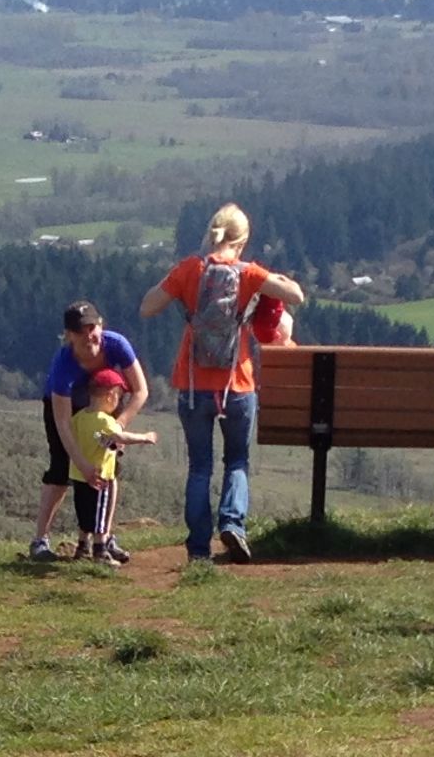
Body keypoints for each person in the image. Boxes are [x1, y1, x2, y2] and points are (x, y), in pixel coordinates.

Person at [141, 205, 304, 569]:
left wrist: (180, 285)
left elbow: (147, 307)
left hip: (194, 384)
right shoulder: (249, 273)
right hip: (238, 382)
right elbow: (296, 296)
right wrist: (263, 278)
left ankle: (199, 547)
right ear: (243, 240)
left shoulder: (190, 269)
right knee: (237, 461)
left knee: (200, 467)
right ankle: (232, 524)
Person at [30, 300, 145, 561]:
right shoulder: (63, 364)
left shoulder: (117, 345)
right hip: (66, 408)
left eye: (91, 328)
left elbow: (140, 390)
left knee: (109, 467)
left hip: (105, 406)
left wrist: (118, 427)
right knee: (60, 469)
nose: (88, 336)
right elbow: (63, 423)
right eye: (79, 331)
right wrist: (81, 463)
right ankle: (40, 540)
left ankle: (103, 538)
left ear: (101, 325)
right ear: (68, 335)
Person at [62, 386, 154, 564]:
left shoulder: (80, 417)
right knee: (100, 516)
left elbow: (92, 435)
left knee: (84, 513)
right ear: (110, 396)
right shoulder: (106, 421)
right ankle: (100, 551)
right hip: (100, 476)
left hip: (79, 474)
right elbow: (121, 437)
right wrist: (145, 437)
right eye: (119, 397)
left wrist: (101, 441)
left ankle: (82, 547)